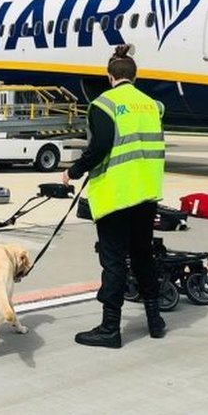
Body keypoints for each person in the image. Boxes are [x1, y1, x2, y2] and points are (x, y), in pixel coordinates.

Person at [62, 43, 166, 348]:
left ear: (110, 77)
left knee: (114, 262)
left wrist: (74, 171)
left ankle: (110, 328)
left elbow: (101, 145)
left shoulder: (104, 104)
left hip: (117, 195)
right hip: (147, 194)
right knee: (143, 255)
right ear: (134, 76)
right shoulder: (152, 105)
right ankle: (155, 320)